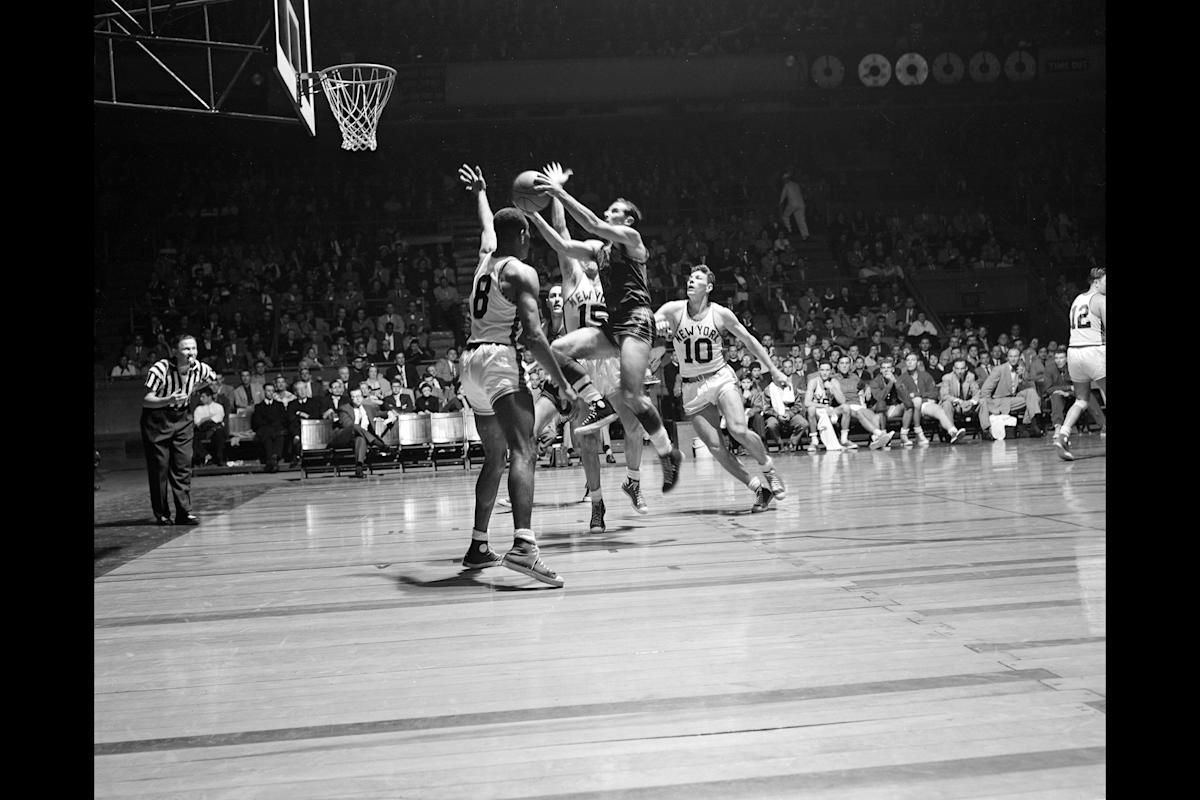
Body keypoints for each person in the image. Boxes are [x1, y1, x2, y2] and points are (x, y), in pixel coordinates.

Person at [457, 163, 576, 586]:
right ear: (524, 237)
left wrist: (481, 192)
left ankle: (478, 545)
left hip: (469, 362)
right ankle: (525, 546)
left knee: (495, 456)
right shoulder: (522, 272)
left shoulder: (486, 256)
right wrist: (562, 385)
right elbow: (534, 336)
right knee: (524, 450)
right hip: (497, 361)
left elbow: (489, 226)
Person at [530, 166, 684, 494]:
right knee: (558, 350)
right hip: (612, 326)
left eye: (615, 209)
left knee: (632, 396)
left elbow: (593, 224)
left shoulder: (632, 240)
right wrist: (533, 215)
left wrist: (558, 192)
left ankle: (668, 452)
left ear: (627, 220)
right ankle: (594, 401)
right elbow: (563, 244)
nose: (607, 212)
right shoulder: (599, 252)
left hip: (638, 321)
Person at [523, 163, 648, 533]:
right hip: (581, 364)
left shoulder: (617, 262)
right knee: (587, 440)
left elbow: (594, 228)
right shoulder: (574, 275)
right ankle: (597, 505)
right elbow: (563, 234)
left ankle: (634, 481)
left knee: (634, 425)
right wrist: (552, 198)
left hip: (610, 355)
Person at [654, 265, 788, 512]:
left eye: (697, 279)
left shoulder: (720, 314)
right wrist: (658, 329)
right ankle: (759, 489)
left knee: (738, 429)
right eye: (690, 278)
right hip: (692, 387)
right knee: (716, 447)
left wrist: (774, 369)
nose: (691, 281)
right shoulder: (672, 310)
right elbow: (648, 327)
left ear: (709, 287)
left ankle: (769, 468)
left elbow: (749, 340)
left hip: (719, 378)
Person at [140, 333, 217, 525]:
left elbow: (212, 378)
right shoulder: (161, 368)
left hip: (182, 418)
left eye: (193, 348)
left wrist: (194, 389)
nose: (191, 353)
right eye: (186, 349)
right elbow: (146, 399)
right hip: (158, 419)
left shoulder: (199, 368)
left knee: (182, 466)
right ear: (175, 351)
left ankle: (184, 512)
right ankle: (162, 514)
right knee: (160, 468)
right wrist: (169, 399)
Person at [1054, 267, 1107, 460]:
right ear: (1096, 282)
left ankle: (1063, 434)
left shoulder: (1077, 300)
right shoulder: (1101, 299)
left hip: (1074, 352)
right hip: (1095, 350)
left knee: (1081, 399)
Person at [897, 352, 968, 446]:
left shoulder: (925, 375)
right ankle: (918, 433)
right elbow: (904, 397)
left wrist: (917, 395)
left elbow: (934, 393)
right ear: (905, 363)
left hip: (923, 404)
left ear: (917, 363)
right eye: (908, 360)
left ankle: (953, 432)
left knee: (938, 409)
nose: (910, 362)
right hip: (909, 407)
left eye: (913, 360)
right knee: (917, 402)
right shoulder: (901, 378)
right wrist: (923, 397)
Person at [979, 347, 1044, 440]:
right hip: (1000, 400)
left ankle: (1032, 423)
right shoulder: (999, 369)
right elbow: (985, 391)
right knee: (1034, 400)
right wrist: (991, 406)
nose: (1013, 359)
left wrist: (1023, 377)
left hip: (1014, 399)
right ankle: (1030, 425)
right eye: (1011, 356)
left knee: (1032, 393)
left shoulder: (1021, 369)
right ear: (1007, 358)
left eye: (1016, 356)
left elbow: (1028, 387)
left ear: (1020, 357)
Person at [831, 354, 894, 449]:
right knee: (860, 413)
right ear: (838, 366)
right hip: (845, 407)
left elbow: (864, 385)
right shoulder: (834, 378)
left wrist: (867, 388)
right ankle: (879, 434)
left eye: (847, 363)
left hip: (858, 405)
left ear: (850, 365)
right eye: (842, 363)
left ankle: (875, 439)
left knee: (875, 416)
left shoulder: (854, 377)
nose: (844, 365)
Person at [1043, 348, 1106, 436]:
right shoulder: (1049, 369)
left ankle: (1104, 425)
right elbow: (1048, 389)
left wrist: (1068, 393)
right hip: (1059, 396)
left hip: (1074, 395)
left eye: (1061, 358)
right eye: (1056, 358)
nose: (1058, 361)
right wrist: (1068, 388)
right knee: (1056, 395)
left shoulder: (1074, 368)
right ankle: (1058, 428)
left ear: (1067, 359)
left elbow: (1081, 387)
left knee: (1088, 395)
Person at [330, 387, 391, 479]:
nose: (357, 398)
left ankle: (359, 467)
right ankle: (379, 444)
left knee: (360, 439)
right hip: (345, 437)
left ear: (362, 397)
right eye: (354, 397)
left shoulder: (368, 408)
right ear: (351, 398)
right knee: (355, 426)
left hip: (361, 438)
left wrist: (390, 413)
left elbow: (381, 413)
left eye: (358, 396)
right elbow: (348, 426)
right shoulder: (344, 409)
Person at [250, 382, 289, 472]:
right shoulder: (259, 407)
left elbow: (283, 419)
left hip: (277, 429)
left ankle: (272, 459)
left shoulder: (279, 405)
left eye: (272, 391)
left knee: (279, 434)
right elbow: (257, 422)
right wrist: (270, 423)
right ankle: (273, 459)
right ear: (264, 392)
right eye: (268, 391)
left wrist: (272, 423)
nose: (270, 393)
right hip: (265, 430)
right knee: (267, 433)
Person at [192, 386, 228, 467]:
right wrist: (209, 418)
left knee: (219, 433)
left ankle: (219, 459)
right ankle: (206, 456)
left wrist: (205, 418)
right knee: (193, 438)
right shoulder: (198, 408)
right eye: (200, 397)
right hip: (203, 430)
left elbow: (219, 418)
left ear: (209, 397)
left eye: (203, 397)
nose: (201, 399)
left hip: (215, 429)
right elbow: (197, 422)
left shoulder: (218, 406)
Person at [779, 171, 810, 240]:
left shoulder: (786, 185)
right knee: (801, 220)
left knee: (785, 216)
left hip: (793, 204)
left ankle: (789, 231)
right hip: (801, 204)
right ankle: (805, 235)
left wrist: (780, 203)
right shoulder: (796, 184)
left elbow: (782, 197)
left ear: (785, 179)